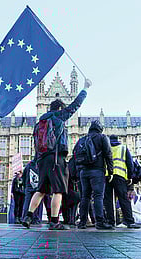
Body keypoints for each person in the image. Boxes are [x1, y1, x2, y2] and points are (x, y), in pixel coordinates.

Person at [22, 78, 91, 230]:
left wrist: (36, 161)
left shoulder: (39, 123)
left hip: (41, 160)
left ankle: (28, 216)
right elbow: (75, 106)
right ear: (60, 108)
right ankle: (54, 221)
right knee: (58, 190)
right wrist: (85, 88)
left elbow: (36, 144)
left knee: (40, 190)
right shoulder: (58, 117)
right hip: (56, 159)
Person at [76, 120, 114, 230]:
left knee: (85, 197)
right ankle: (99, 222)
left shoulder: (82, 139)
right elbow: (108, 154)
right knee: (98, 196)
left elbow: (76, 156)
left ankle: (82, 222)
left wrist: (79, 171)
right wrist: (110, 171)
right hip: (97, 171)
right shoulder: (102, 137)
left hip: (83, 172)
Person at [103, 135, 141, 229]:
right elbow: (130, 163)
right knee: (123, 198)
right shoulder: (123, 148)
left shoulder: (105, 148)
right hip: (120, 175)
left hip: (107, 176)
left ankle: (110, 222)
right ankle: (129, 221)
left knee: (108, 200)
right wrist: (130, 177)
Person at [21, 158, 41, 225]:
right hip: (38, 187)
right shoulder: (42, 164)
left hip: (28, 186)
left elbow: (23, 176)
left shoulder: (28, 165)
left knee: (27, 203)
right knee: (37, 204)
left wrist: (25, 185)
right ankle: (36, 219)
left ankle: (25, 218)